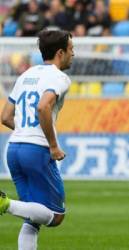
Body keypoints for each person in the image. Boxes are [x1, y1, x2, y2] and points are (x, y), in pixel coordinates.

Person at [0, 29, 74, 250]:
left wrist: (24, 130)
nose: (74, 54)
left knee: (32, 217)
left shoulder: (26, 75)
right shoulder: (59, 77)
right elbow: (43, 106)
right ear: (60, 53)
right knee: (55, 215)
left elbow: (5, 116)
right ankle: (5, 203)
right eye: (71, 50)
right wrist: (52, 145)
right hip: (36, 151)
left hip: (14, 148)